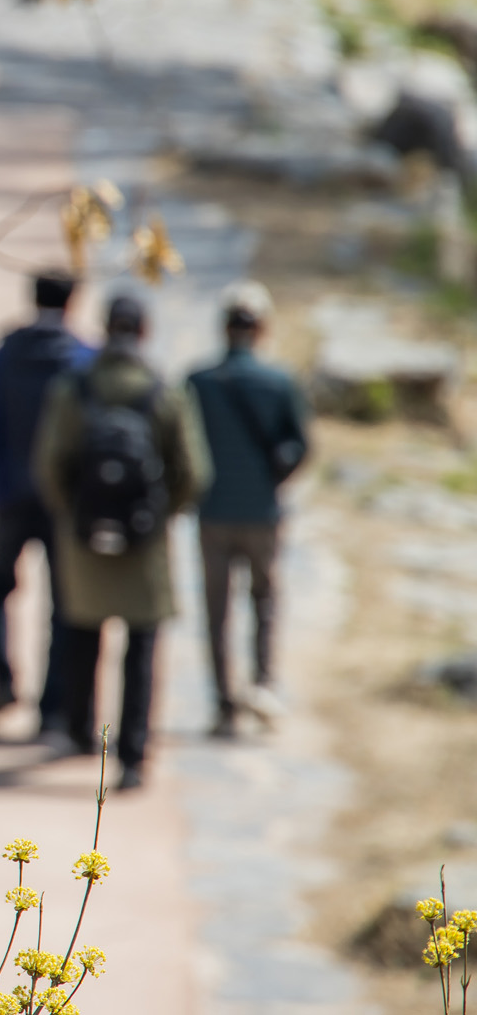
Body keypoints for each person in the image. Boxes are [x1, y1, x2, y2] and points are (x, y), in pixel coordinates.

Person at [33, 294, 210, 791]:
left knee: (81, 636)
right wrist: (159, 515)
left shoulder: (74, 388)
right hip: (144, 544)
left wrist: (74, 516)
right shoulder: (163, 392)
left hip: (85, 539)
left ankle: (78, 729)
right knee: (141, 650)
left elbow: (49, 465)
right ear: (145, 331)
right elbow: (194, 472)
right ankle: (132, 755)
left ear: (105, 329)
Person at [0, 271, 94, 728]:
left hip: (10, 490)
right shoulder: (82, 357)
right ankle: (51, 704)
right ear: (72, 301)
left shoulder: (7, 350)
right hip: (62, 499)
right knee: (62, 600)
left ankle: (3, 681)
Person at [186, 281, 310, 737]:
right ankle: (263, 684)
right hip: (262, 513)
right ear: (262, 328)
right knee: (265, 602)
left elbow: (182, 449)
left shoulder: (197, 383)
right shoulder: (278, 383)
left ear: (224, 328)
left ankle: (223, 704)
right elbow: (300, 445)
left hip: (213, 512)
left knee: (217, 611)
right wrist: (273, 482)